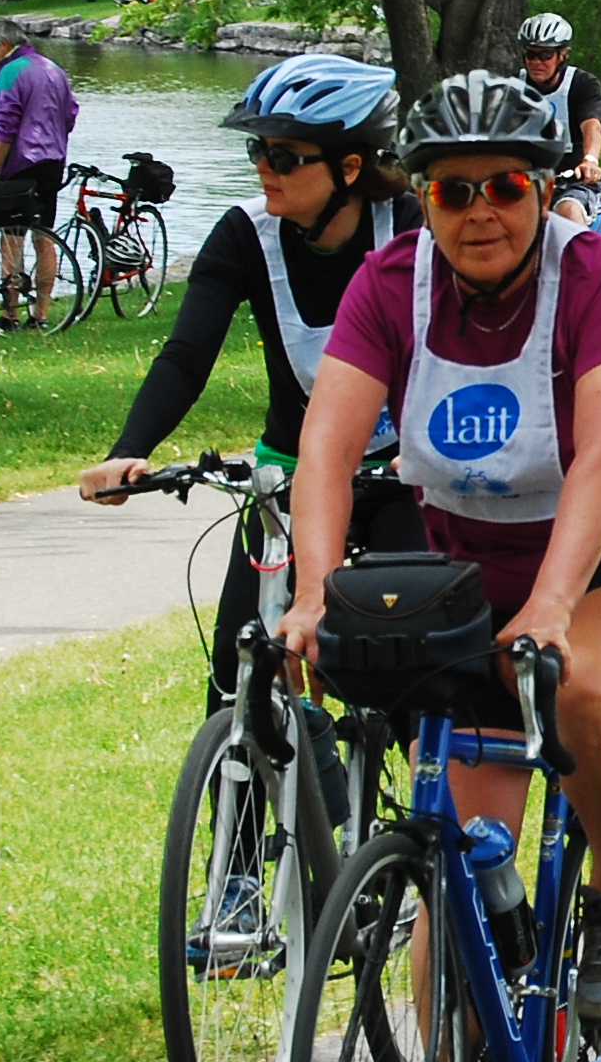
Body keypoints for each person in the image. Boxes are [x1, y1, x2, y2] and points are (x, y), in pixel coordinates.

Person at [277, 71, 601, 1062]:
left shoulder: (597, 277)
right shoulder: (390, 287)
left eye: (506, 187)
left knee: (585, 684)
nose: (480, 212)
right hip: (474, 580)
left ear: (540, 185)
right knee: (461, 868)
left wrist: (556, 604)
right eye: (452, 191)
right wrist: (309, 596)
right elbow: (325, 453)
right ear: (421, 197)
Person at [80, 54, 424, 695]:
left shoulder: (409, 229)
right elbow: (186, 357)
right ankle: (242, 786)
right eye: (258, 152)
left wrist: (428, 449)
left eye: (286, 156)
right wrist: (129, 451)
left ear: (350, 167)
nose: (266, 167)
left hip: (401, 475)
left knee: (402, 665)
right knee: (239, 672)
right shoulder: (244, 235)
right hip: (291, 474)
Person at [0, 23, 79, 325]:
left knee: (12, 237)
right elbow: (70, 114)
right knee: (45, 235)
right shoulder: (54, 68)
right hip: (53, 161)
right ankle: (40, 315)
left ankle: (9, 313)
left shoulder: (11, 72)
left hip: (21, 162)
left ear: (2, 44)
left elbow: (6, 126)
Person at [515, 12, 601, 215]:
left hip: (574, 182)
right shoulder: (513, 88)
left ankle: (578, 246)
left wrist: (590, 160)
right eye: (530, 55)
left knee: (568, 211)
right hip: (526, 184)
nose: (536, 62)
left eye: (545, 55)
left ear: (562, 56)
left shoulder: (582, 84)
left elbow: (592, 125)